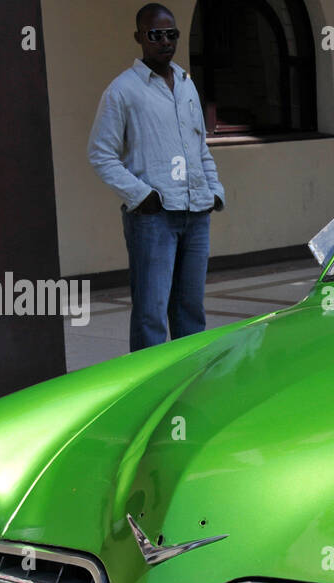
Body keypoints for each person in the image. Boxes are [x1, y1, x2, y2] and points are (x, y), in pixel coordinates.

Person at [88, 3, 226, 351]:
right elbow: (101, 154)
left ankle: (189, 381)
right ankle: (148, 388)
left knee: (191, 311)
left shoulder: (186, 84)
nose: (165, 41)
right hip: (154, 219)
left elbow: (200, 147)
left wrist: (215, 190)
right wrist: (141, 195)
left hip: (196, 215)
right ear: (139, 38)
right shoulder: (122, 91)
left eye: (171, 34)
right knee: (150, 314)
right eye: (155, 34)